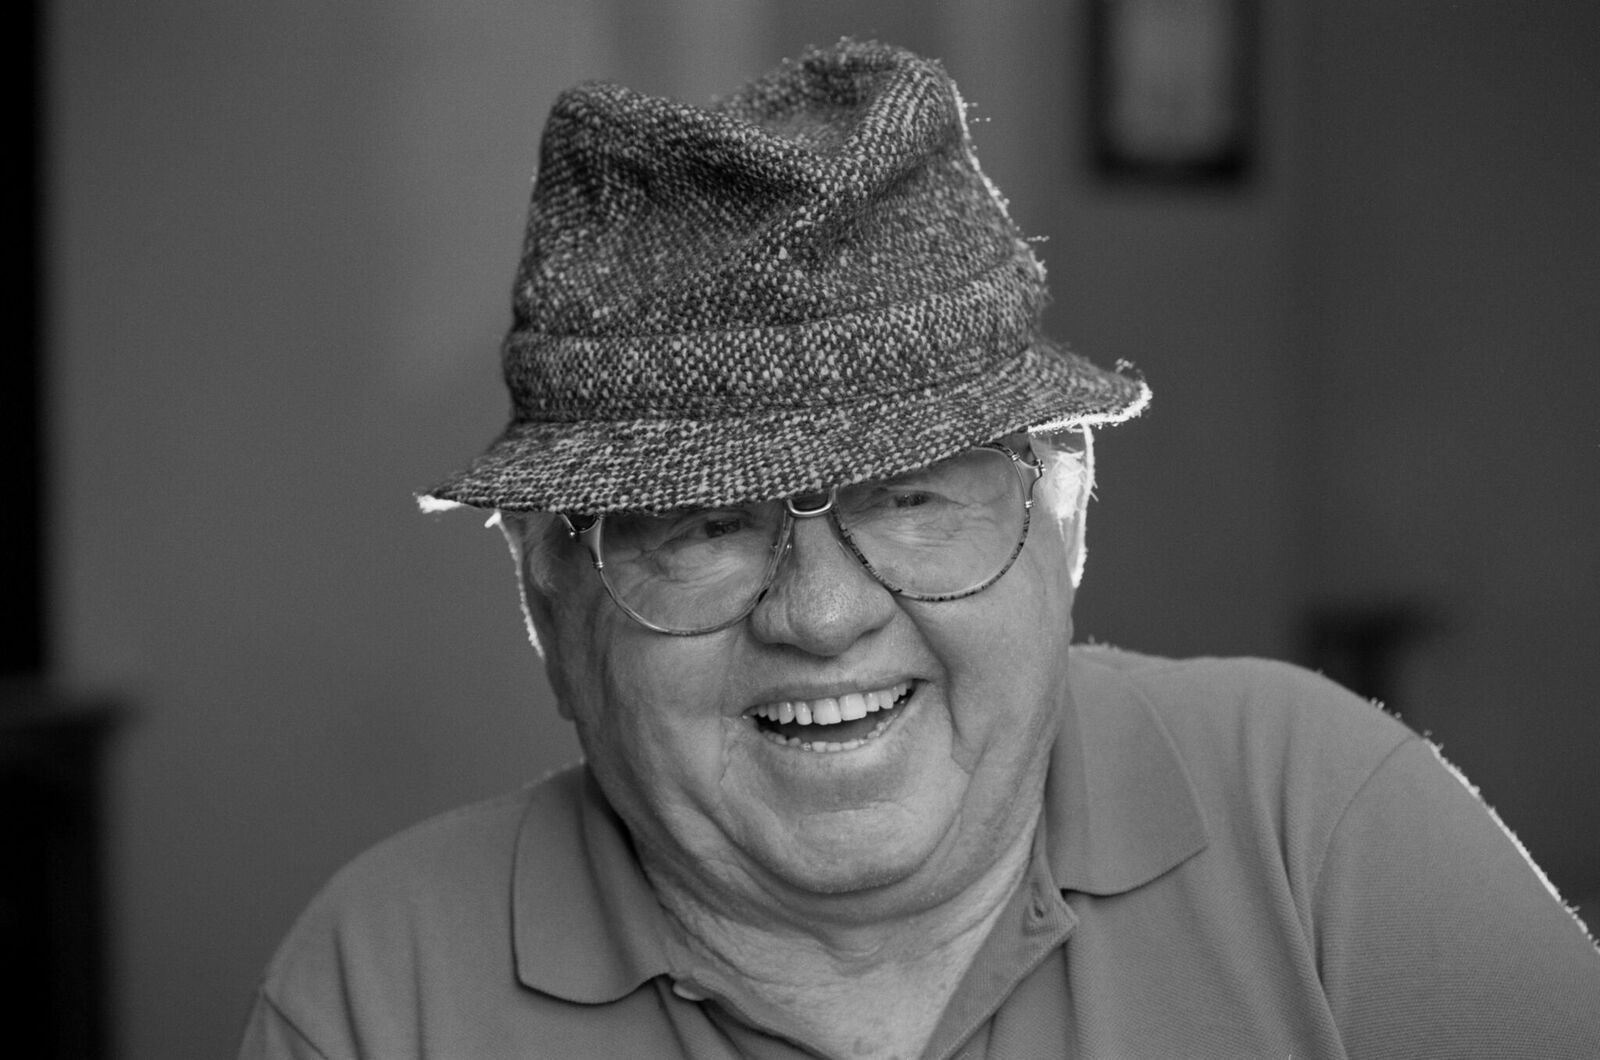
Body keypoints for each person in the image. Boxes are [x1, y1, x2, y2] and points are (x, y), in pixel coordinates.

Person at [240, 39, 1600, 1059]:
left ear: (1064, 517)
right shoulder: (379, 993)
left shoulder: (1322, 824)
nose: (824, 616)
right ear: (547, 588)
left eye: (911, 500)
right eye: (708, 524)